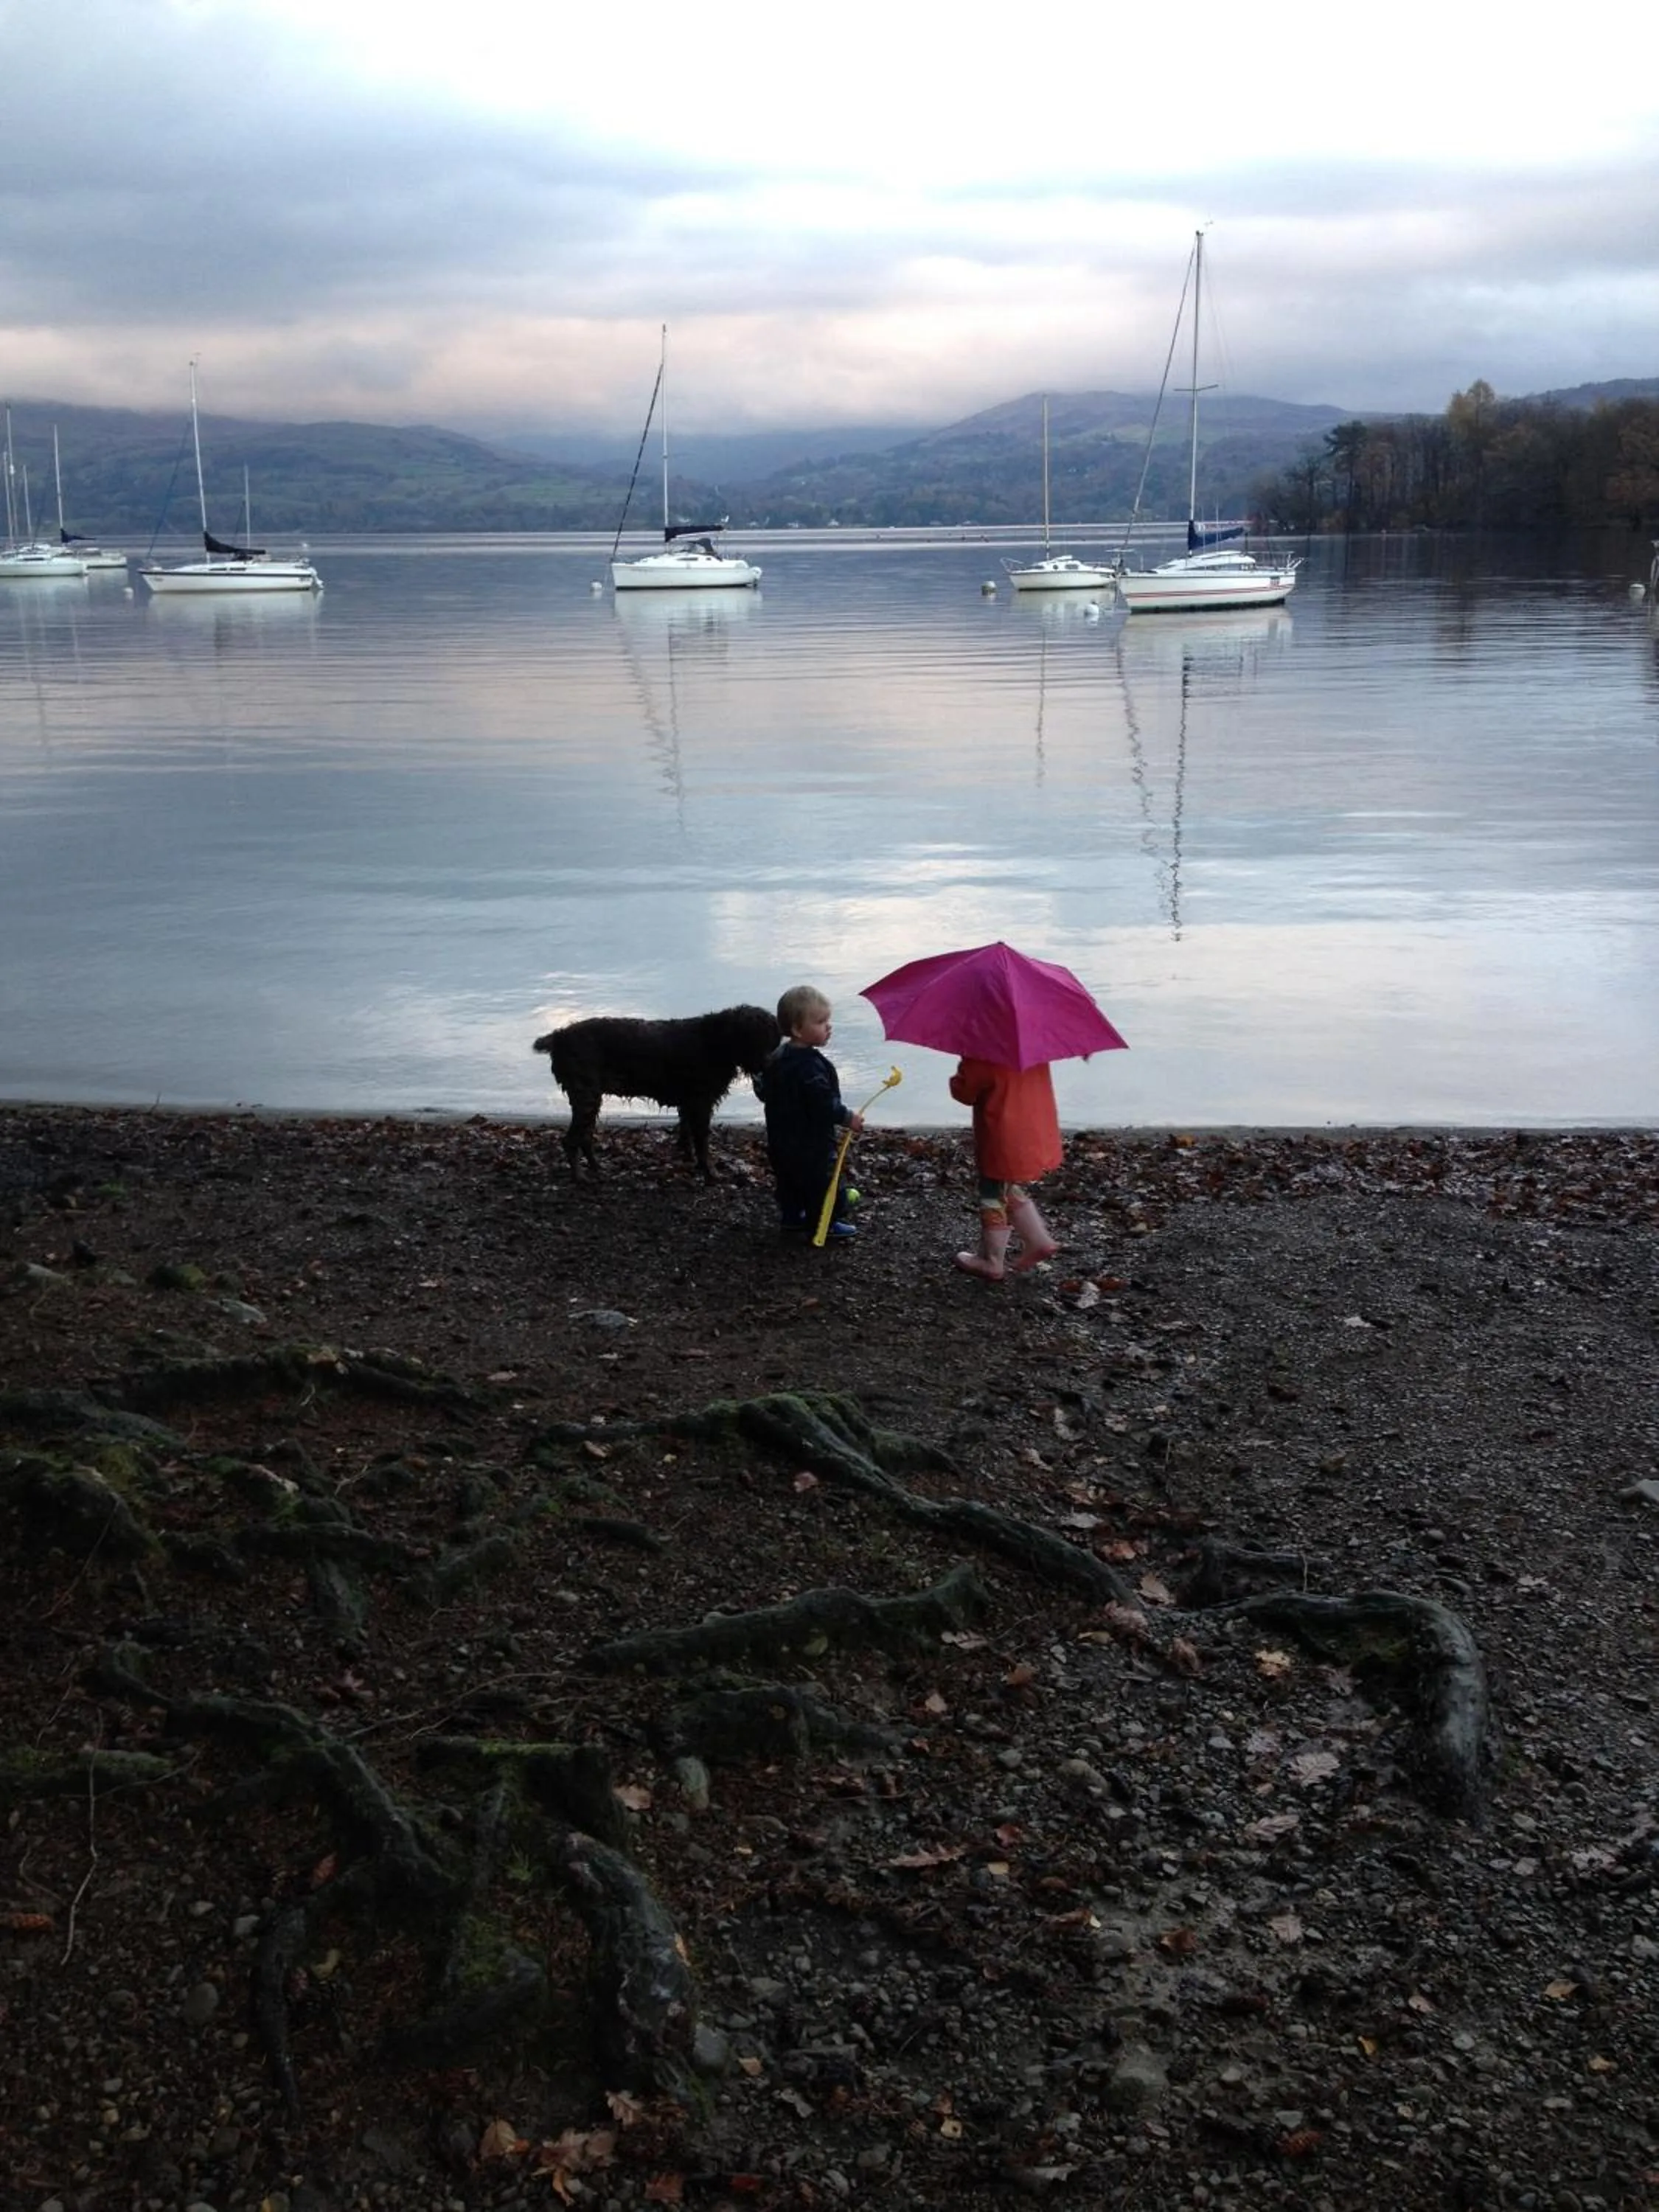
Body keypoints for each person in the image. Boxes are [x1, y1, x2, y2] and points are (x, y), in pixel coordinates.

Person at [754, 985, 864, 1238]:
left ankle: (792, 1218)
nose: (829, 1027)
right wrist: (849, 1118)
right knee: (823, 1184)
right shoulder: (811, 1069)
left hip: (781, 1140)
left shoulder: (777, 1057)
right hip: (811, 1144)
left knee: (788, 1181)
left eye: (828, 1020)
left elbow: (763, 1090)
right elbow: (823, 1104)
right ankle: (824, 1223)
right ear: (796, 1029)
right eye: (820, 1021)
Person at [948, 1056, 1062, 1281]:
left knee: (991, 1191)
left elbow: (964, 1092)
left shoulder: (983, 1053)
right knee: (1005, 1185)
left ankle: (991, 1261)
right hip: (1034, 1129)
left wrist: (962, 1068)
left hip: (1002, 1135)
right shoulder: (1029, 1050)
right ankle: (1038, 1239)